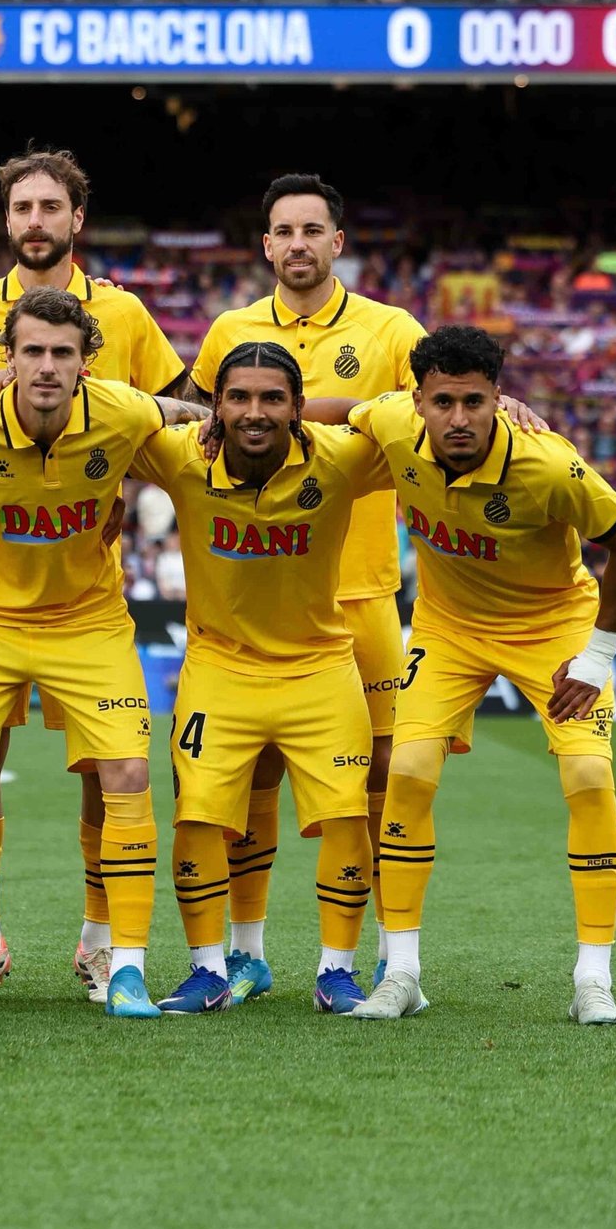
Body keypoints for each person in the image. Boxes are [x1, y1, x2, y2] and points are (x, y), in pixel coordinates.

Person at [0, 147, 187, 1002]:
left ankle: (105, 942)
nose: (34, 221)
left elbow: (176, 418)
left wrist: (99, 466)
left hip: (88, 593)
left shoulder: (127, 315)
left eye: (49, 208)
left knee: (113, 774)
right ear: (6, 220)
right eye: (20, 207)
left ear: (75, 221)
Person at [329, 327, 616, 1024]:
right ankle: (403, 973)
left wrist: (595, 657)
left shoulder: (547, 464)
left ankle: (593, 979)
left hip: (553, 628)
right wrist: (235, 418)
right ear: (418, 400)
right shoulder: (392, 421)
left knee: (590, 777)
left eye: (475, 401)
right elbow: (338, 408)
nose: (459, 419)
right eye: (443, 402)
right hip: (449, 628)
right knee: (407, 768)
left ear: (499, 398)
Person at [187, 174, 422, 1001]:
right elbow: (197, 428)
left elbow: (430, 414)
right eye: (282, 231)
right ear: (265, 246)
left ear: (337, 242)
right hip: (259, 593)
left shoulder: (390, 329)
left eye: (311, 230)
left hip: (364, 593)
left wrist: (301, 408)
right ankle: (244, 952)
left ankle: (394, 958)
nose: (296, 244)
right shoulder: (229, 330)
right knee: (248, 779)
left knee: (384, 778)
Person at [130, 343, 392, 1015]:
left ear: (299, 409)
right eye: (238, 397)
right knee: (197, 818)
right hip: (220, 669)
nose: (254, 412)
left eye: (273, 398)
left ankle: (337, 970)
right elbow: (102, 416)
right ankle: (208, 968)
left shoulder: (339, 457)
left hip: (320, 667)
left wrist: (503, 404)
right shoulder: (182, 453)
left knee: (346, 817)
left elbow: (413, 421)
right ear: (214, 406)